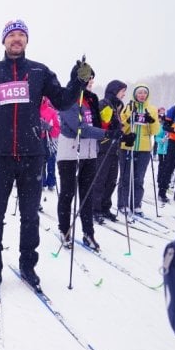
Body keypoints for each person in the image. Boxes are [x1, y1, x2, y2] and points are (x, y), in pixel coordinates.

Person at [0, 19, 92, 287]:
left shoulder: (39, 72)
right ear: (3, 40)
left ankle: (27, 265)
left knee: (29, 216)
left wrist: (77, 81)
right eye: (11, 35)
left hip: (32, 155)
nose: (16, 39)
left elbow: (62, 100)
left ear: (26, 41)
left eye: (21, 35)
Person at [56, 74, 121, 251]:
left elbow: (101, 124)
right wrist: (105, 134)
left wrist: (116, 130)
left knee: (87, 195)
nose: (90, 86)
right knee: (68, 193)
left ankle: (88, 232)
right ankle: (64, 229)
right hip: (70, 152)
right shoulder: (67, 99)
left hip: (90, 152)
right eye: (87, 82)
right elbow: (79, 128)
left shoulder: (92, 100)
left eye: (92, 82)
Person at [118, 84, 160, 216]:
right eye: (139, 93)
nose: (142, 95)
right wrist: (129, 120)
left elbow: (155, 131)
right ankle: (123, 204)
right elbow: (122, 128)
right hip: (128, 146)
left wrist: (151, 121)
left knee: (139, 178)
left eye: (144, 93)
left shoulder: (152, 109)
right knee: (125, 177)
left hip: (144, 148)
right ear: (135, 94)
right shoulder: (128, 107)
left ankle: (136, 204)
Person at [92, 80, 129, 223]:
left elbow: (116, 130)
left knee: (111, 180)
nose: (124, 94)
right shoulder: (105, 104)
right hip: (103, 148)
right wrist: (112, 129)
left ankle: (105, 207)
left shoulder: (116, 107)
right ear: (115, 91)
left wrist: (125, 137)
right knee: (100, 180)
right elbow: (101, 125)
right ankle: (95, 209)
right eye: (122, 91)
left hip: (114, 149)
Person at [40, 97, 60, 192]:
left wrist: (49, 127)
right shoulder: (32, 109)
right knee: (41, 162)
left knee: (51, 160)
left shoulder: (51, 111)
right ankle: (41, 182)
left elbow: (57, 130)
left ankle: (51, 182)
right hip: (38, 139)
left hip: (50, 139)